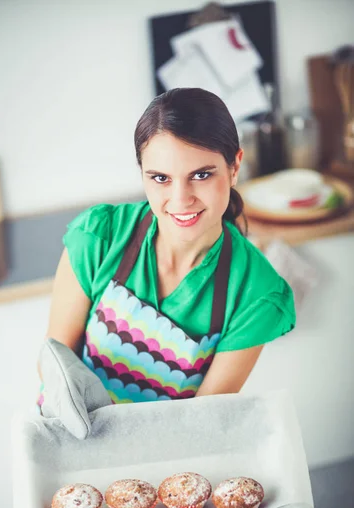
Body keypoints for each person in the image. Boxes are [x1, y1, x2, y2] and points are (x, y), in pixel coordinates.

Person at [40, 87, 295, 405]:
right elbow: (55, 368)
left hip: (176, 450)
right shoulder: (98, 238)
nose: (180, 200)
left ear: (235, 167)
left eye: (201, 175)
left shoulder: (255, 293)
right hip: (74, 436)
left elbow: (205, 416)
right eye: (161, 178)